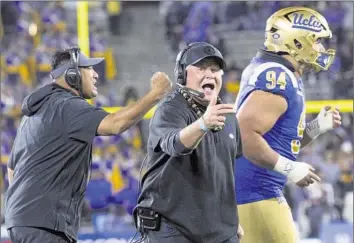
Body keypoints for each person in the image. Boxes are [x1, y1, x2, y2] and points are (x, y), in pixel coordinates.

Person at [5, 46, 172, 243]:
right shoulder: (66, 105)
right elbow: (115, 125)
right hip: (45, 225)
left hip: (22, 221)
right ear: (72, 75)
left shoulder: (34, 114)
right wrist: (155, 94)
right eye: (89, 69)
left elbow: (12, 169)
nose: (95, 75)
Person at [233, 6, 342, 243]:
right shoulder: (278, 75)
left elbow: (281, 142)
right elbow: (244, 134)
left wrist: (316, 128)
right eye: (316, 41)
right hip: (255, 194)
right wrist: (289, 169)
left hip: (254, 193)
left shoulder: (279, 72)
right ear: (296, 41)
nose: (321, 49)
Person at [134, 42, 244, 243]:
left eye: (214, 69)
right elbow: (175, 145)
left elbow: (227, 170)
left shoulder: (227, 116)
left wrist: (231, 216)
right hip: (173, 228)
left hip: (219, 229)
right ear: (182, 75)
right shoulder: (170, 109)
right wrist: (203, 124)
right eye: (201, 68)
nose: (209, 74)